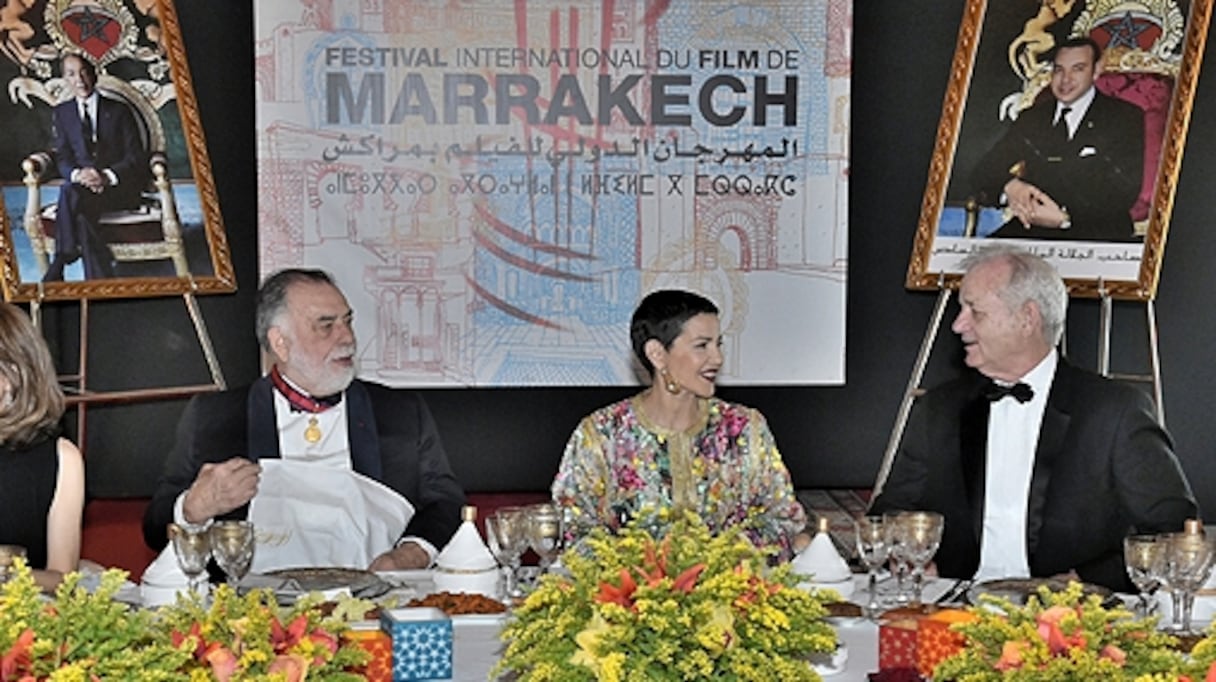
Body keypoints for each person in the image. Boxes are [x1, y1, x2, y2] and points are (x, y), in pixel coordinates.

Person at [869, 246, 1196, 591]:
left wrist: (1083, 582)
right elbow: (890, 512)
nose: (957, 324)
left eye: (974, 311)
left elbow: (1173, 529)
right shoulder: (941, 408)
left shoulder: (1114, 411)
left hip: (1072, 620)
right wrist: (907, 553)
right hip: (956, 608)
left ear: (1027, 318)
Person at [142, 268, 465, 570]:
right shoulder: (216, 417)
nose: (347, 338)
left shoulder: (400, 410)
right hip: (253, 611)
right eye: (326, 325)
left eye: (347, 321)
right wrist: (194, 508)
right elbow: (156, 527)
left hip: (376, 603)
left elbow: (445, 503)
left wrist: (409, 555)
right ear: (280, 343)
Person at [551, 289, 807, 561]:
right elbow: (575, 528)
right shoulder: (602, 434)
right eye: (702, 345)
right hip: (631, 598)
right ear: (657, 354)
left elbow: (781, 517)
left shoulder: (744, 428)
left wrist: (720, 562)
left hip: (733, 595)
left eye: (718, 344)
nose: (717, 358)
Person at [971, 37, 1144, 242]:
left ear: (1096, 70)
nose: (1065, 80)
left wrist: (1065, 219)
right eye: (1059, 70)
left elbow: (1123, 193)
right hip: (1031, 230)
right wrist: (1010, 187)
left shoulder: (1124, 117)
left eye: (1077, 69)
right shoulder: (1033, 118)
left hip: (1096, 232)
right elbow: (983, 170)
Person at [0, 302, 85, 591]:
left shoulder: (62, 459)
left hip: (22, 624)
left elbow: (63, 578)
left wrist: (6, 575)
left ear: (14, 376)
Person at [43, 53, 147, 281]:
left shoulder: (119, 110)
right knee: (75, 202)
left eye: (83, 72)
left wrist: (106, 176)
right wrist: (79, 174)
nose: (79, 80)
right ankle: (99, 277)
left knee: (71, 198)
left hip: (117, 189)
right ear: (65, 79)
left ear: (94, 75)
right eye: (71, 74)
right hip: (81, 188)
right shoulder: (62, 113)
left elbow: (136, 156)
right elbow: (62, 157)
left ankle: (61, 259)